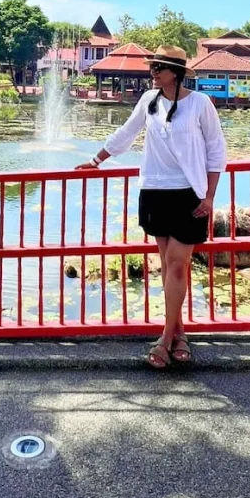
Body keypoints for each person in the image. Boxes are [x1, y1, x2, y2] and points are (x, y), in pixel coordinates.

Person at [76, 44, 226, 369]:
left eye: (159, 67)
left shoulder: (200, 104)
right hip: (155, 191)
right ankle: (179, 333)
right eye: (153, 67)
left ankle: (163, 338)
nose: (153, 72)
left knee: (176, 265)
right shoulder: (149, 101)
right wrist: (96, 159)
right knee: (168, 264)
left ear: (177, 72)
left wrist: (210, 196)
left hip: (189, 194)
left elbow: (216, 150)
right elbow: (126, 133)